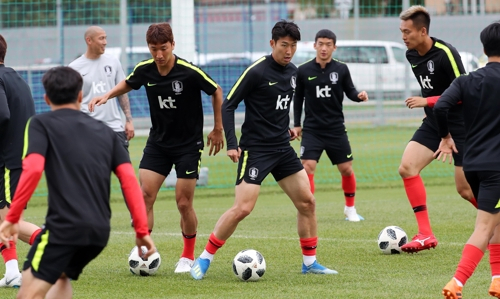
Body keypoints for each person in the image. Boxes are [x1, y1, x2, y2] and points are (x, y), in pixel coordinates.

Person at [190, 20, 337, 280]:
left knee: (307, 202)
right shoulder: (257, 71)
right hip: (255, 151)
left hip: (282, 149)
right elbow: (228, 105)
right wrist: (233, 144)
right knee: (243, 208)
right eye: (284, 45)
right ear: (272, 44)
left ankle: (310, 262)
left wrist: (290, 127)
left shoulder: (293, 72)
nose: (288, 50)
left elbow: (279, 107)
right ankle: (204, 259)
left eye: (293, 46)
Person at [0, 66, 155, 299]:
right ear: (81, 96)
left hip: (63, 230)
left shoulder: (40, 124)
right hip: (99, 233)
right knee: (60, 277)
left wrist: (11, 218)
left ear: (46, 98)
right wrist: (141, 230)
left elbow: (32, 171)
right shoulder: (105, 132)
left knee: (27, 295)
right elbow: (129, 182)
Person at [88, 22, 224, 273]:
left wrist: (218, 128)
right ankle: (144, 250)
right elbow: (129, 82)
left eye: (163, 48)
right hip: (158, 144)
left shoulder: (188, 71)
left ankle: (187, 255)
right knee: (144, 197)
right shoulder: (145, 70)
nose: (159, 55)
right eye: (153, 49)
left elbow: (216, 91)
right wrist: (107, 95)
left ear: (173, 45)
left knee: (183, 203)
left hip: (188, 146)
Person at [398, 5, 476, 253]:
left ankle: (493, 219)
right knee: (407, 167)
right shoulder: (411, 55)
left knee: (465, 189)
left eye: (407, 32)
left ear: (423, 31)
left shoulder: (446, 53)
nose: (403, 36)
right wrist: (430, 108)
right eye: (401, 31)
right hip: (434, 122)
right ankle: (425, 234)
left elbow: (465, 92)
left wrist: (428, 101)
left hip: (461, 123)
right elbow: (430, 86)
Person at [435, 22, 500, 299]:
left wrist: (445, 136)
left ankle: (497, 279)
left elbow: (441, 106)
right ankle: (457, 282)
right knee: (485, 227)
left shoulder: (466, 80)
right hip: (497, 166)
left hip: (473, 165)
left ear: (483, 49)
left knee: (495, 222)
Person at [293, 29, 368, 222]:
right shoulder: (303, 70)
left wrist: (359, 96)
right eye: (321, 44)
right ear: (314, 45)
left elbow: (350, 91)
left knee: (346, 169)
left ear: (334, 47)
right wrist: (296, 124)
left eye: (328, 44)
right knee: (307, 167)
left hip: (335, 129)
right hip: (312, 130)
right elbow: (298, 98)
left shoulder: (341, 69)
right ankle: (309, 207)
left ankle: (350, 209)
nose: (324, 48)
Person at [0, 34, 42, 288]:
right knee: (7, 220)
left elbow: (2, 115)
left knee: (8, 221)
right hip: (24, 159)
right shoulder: (16, 77)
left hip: (9, 161)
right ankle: (13, 270)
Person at [69, 26, 134, 148]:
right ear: (89, 40)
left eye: (105, 38)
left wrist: (129, 120)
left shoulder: (113, 61)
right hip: (88, 130)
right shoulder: (74, 68)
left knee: (123, 167)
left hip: (115, 128)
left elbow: (122, 92)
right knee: (92, 167)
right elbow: (71, 102)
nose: (105, 42)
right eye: (101, 38)